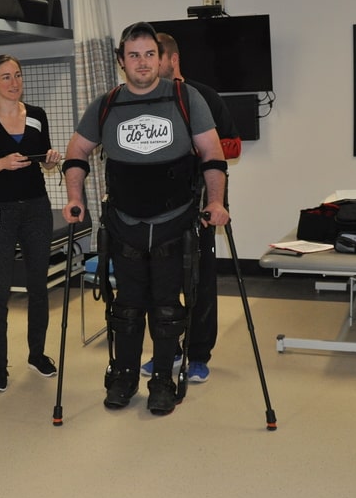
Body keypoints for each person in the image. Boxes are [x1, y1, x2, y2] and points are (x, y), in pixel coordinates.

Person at [61, 22, 229, 416]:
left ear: (162, 58)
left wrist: (216, 202)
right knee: (128, 307)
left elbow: (213, 154)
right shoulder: (105, 104)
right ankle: (123, 376)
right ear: (121, 61)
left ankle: (163, 383)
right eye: (133, 55)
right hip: (125, 222)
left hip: (175, 222)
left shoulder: (186, 98)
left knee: (168, 307)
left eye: (149, 54)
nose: (142, 62)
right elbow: (76, 151)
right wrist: (74, 197)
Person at [136, 31, 243, 383]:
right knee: (160, 283)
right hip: (159, 207)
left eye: (154, 57)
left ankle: (198, 354)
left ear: (172, 60)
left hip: (201, 203)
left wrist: (193, 150)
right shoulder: (145, 100)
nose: (147, 65)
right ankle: (168, 349)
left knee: (200, 281)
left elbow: (233, 146)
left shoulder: (203, 97)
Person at [0, 54, 63, 393]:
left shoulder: (36, 116)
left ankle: (37, 354)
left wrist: (50, 161)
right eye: (5, 77)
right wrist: (1, 163)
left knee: (38, 286)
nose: (14, 82)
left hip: (36, 208)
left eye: (17, 75)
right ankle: (0, 366)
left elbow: (45, 165)